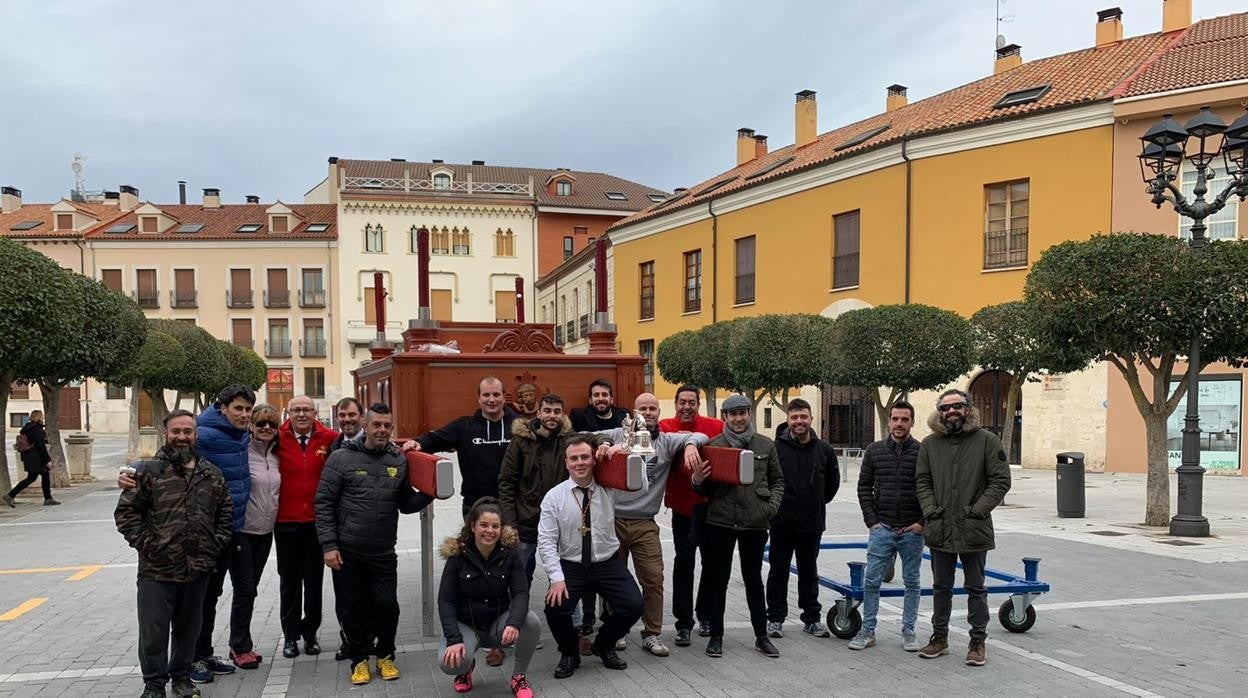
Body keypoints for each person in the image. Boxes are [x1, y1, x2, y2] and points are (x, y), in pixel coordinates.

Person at [115, 409, 232, 698]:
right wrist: (148, 545)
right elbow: (126, 514)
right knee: (153, 632)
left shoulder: (211, 474)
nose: (182, 437)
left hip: (197, 569)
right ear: (166, 432)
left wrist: (213, 544)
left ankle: (181, 677)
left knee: (188, 630)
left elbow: (226, 513)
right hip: (157, 570)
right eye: (176, 431)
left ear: (196, 434)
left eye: (187, 431)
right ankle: (154, 684)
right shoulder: (147, 471)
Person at [316, 403, 434, 686]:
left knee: (387, 605)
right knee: (351, 608)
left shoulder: (398, 460)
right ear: (365, 427)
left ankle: (385, 655)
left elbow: (405, 504)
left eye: (387, 425)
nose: (382, 430)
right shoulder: (340, 459)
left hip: (382, 551)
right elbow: (323, 504)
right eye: (377, 424)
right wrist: (329, 546)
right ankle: (359, 660)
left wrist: (433, 492)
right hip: (347, 551)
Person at [591, 393, 708, 657]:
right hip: (613, 520)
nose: (649, 412)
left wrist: (690, 445)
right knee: (612, 579)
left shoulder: (667, 440)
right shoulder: (620, 433)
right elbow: (588, 434)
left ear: (659, 412)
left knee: (654, 578)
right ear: (634, 412)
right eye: (643, 408)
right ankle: (615, 629)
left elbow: (701, 437)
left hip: (645, 522)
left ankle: (652, 633)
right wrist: (605, 442)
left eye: (653, 408)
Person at [915, 389, 1012, 666]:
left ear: (968, 408)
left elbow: (1000, 481)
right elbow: (922, 481)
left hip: (973, 527)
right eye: (946, 408)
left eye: (957, 406)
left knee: (976, 587)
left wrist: (977, 510)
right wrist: (931, 509)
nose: (952, 411)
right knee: (940, 586)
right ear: (940, 412)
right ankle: (939, 638)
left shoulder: (987, 441)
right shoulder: (930, 444)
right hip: (940, 527)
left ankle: (978, 641)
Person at [538, 437, 644, 679]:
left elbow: (641, 486)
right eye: (574, 458)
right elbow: (545, 541)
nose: (580, 463)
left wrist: (620, 458)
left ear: (594, 459)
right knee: (555, 608)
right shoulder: (554, 497)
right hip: (571, 565)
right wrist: (556, 578)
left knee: (634, 605)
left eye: (585, 457)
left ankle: (604, 645)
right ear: (566, 463)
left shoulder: (609, 487)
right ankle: (569, 653)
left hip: (607, 562)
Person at [692, 394, 784, 659]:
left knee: (753, 579)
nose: (739, 418)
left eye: (743, 413)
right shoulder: (713, 446)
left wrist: (770, 507)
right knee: (717, 579)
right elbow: (703, 487)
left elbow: (778, 480)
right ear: (725, 417)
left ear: (749, 414)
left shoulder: (765, 444)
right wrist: (697, 480)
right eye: (733, 414)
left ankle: (761, 636)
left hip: (754, 523)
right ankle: (717, 636)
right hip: (720, 521)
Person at [437, 497, 541, 697]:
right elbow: (446, 601)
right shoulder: (457, 556)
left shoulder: (510, 555)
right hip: (466, 625)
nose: (490, 531)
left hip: (497, 625)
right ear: (473, 526)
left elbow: (520, 593)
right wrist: (453, 639)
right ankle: (465, 669)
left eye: (495, 526)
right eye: (484, 525)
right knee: (448, 663)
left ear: (501, 529)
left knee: (530, 620)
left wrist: (514, 622)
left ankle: (519, 677)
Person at [497, 394, 604, 584]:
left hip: (559, 524)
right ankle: (514, 613)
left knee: (562, 578)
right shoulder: (521, 441)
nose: (552, 416)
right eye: (547, 411)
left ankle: (565, 614)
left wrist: (606, 443)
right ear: (538, 413)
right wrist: (510, 524)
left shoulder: (569, 440)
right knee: (517, 577)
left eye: (557, 412)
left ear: (563, 415)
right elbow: (506, 483)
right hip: (525, 523)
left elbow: (595, 437)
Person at [189, 385, 255, 684]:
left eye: (247, 409)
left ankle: (208, 651)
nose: (244, 414)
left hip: (235, 527)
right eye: (238, 408)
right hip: (209, 532)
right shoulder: (203, 434)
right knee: (204, 597)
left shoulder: (240, 434)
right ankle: (194, 658)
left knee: (232, 591)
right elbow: (170, 459)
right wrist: (133, 471)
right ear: (223, 408)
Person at [849, 400, 924, 652]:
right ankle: (868, 630)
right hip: (883, 528)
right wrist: (873, 521)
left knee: (912, 581)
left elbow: (931, 490)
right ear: (889, 421)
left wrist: (921, 523)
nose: (899, 424)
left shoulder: (923, 452)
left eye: (905, 419)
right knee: (872, 580)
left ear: (912, 422)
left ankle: (909, 630)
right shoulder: (874, 450)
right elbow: (863, 488)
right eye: (895, 419)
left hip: (911, 530)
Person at [765, 398, 839, 640]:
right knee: (778, 572)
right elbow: (768, 482)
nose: (799, 421)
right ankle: (775, 618)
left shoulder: (825, 450)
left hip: (812, 523)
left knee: (809, 572)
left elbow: (831, 485)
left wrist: (815, 503)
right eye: (794, 417)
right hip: (781, 523)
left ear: (811, 419)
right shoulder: (775, 448)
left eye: (803, 417)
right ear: (788, 420)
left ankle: (811, 618)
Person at [658, 385, 723, 646]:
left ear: (698, 404)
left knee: (711, 563)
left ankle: (705, 615)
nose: (687, 407)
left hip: (709, 507)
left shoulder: (715, 426)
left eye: (692, 402)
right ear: (675, 404)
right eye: (682, 402)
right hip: (682, 508)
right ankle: (683, 623)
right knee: (684, 563)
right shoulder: (664, 426)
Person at [274, 395, 339, 659]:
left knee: (314, 583)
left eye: (306, 410)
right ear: (288, 413)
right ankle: (290, 636)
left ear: (315, 413)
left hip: (316, 523)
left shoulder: (330, 438)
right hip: (286, 523)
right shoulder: (276, 438)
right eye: (296, 410)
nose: (301, 414)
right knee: (289, 583)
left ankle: (310, 635)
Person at [411, 376, 520, 520]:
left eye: (496, 394)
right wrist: (418, 442)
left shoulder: (520, 427)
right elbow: (434, 439)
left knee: (511, 543)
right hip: (475, 504)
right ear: (479, 398)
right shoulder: (464, 427)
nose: (491, 400)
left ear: (504, 397)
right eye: (486, 395)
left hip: (512, 505)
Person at [227, 403, 282, 670]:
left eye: (272, 424)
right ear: (251, 425)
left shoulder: (276, 455)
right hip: (242, 531)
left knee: (250, 590)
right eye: (261, 424)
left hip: (265, 532)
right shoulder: (241, 451)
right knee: (245, 589)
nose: (267, 429)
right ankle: (240, 646)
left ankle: (237, 642)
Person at [3, 410, 58, 507]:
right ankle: (48, 498)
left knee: (34, 477)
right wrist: (47, 459)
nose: (43, 418)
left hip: (29, 456)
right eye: (42, 416)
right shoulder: (36, 429)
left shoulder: (27, 428)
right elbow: (40, 445)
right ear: (38, 417)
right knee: (41, 477)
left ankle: (11, 495)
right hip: (36, 457)